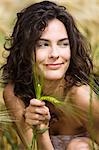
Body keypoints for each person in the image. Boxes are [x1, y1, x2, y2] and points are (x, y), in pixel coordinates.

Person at [1, 0, 99, 149]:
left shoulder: (81, 96)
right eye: (43, 44)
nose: (55, 54)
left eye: (63, 44)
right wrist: (40, 130)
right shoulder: (15, 93)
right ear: (25, 51)